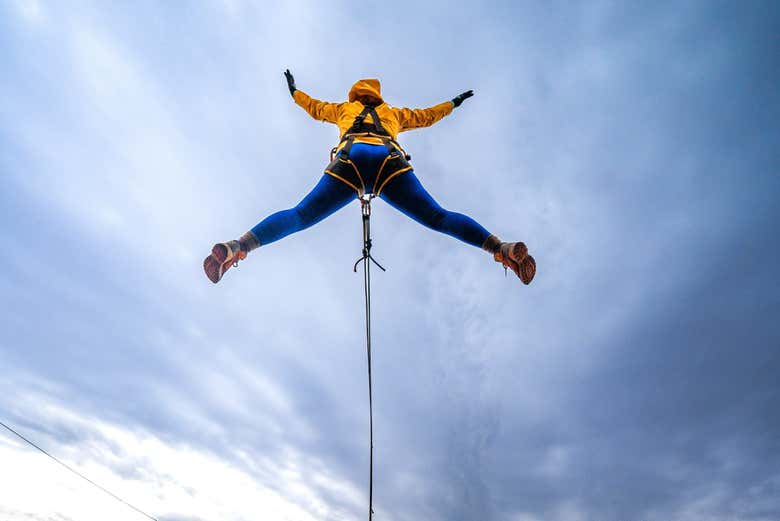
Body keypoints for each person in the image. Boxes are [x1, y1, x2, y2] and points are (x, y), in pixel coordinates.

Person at [204, 70, 535, 285]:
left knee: (301, 215)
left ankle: (238, 246)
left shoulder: (342, 110)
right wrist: (453, 103)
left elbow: (314, 107)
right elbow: (428, 116)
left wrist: (294, 92)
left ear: (354, 94)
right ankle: (501, 248)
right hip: (389, 161)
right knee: (438, 217)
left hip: (349, 159)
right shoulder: (394, 113)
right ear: (377, 94)